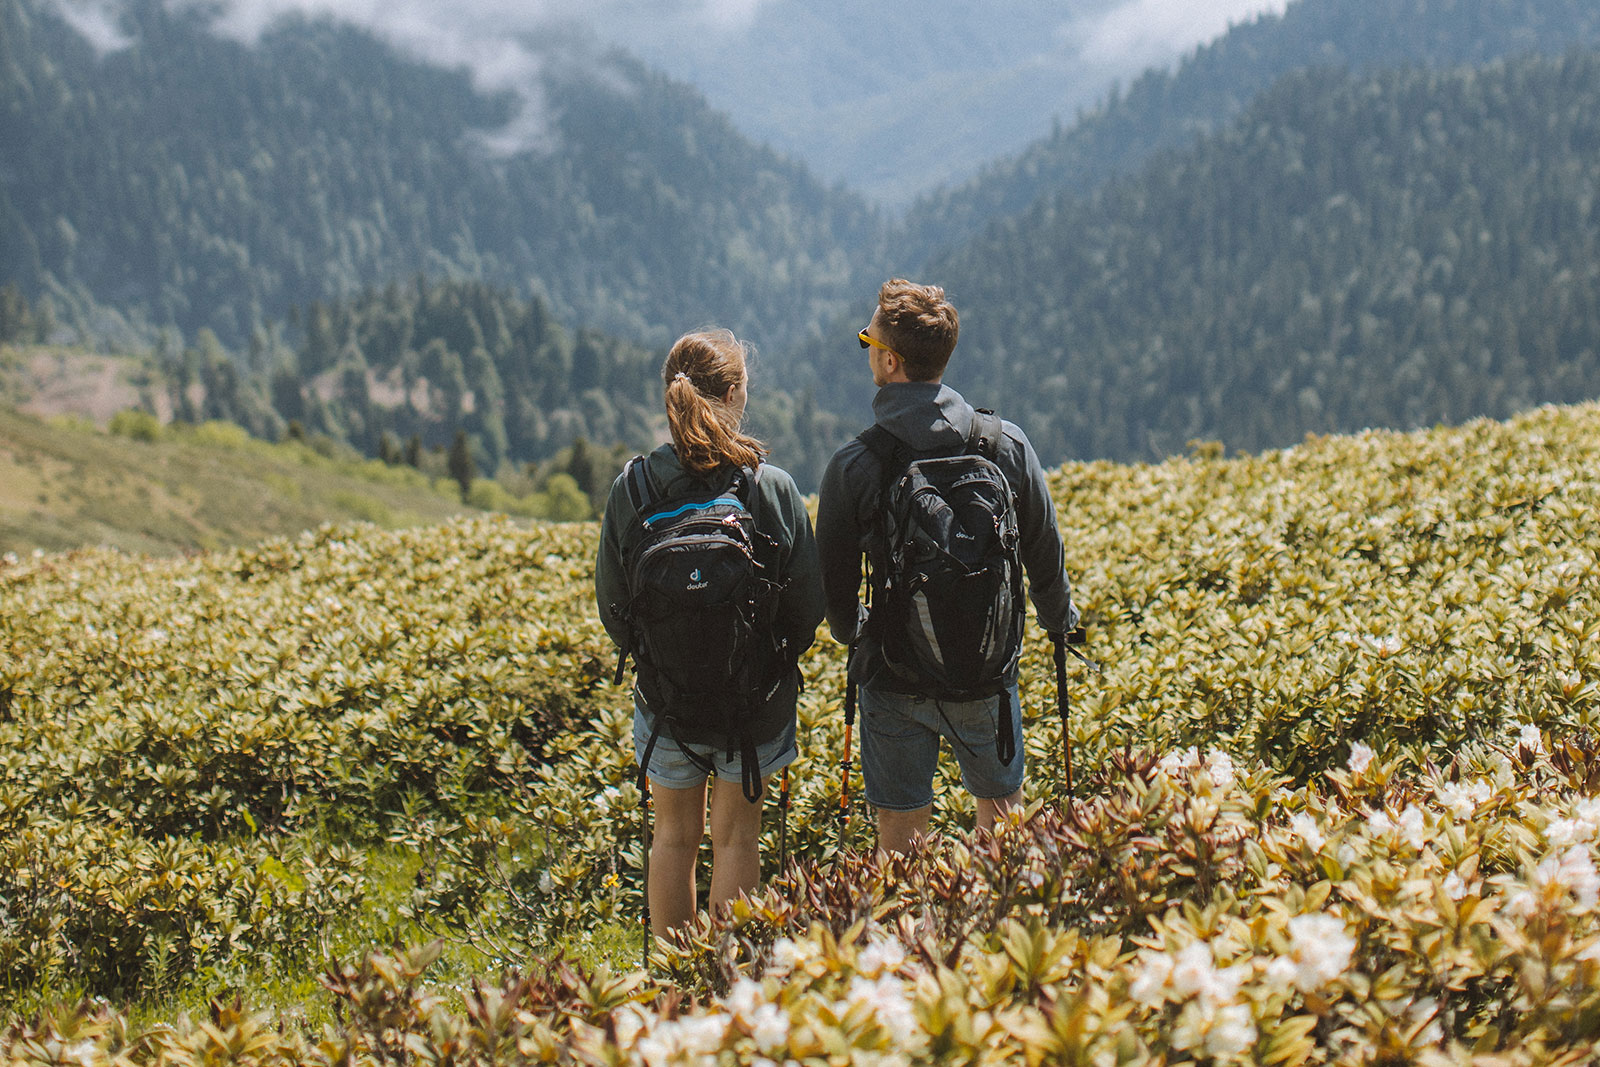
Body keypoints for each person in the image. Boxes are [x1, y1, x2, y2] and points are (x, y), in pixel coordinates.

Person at [816, 279, 1079, 855]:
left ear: (889, 361)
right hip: (986, 671)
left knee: (901, 847)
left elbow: (831, 586)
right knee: (1004, 828)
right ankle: (992, 931)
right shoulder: (1004, 445)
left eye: (868, 343)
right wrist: (1059, 622)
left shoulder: (855, 465)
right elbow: (1043, 548)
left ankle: (912, 941)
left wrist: (853, 632)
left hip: (892, 676)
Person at [596, 328, 824, 934]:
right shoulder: (768, 487)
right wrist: (766, 659)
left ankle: (676, 987)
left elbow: (612, 607)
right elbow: (808, 605)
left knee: (671, 840)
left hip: (668, 701)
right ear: (738, 396)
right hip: (754, 705)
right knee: (737, 839)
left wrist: (664, 658)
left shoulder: (634, 487)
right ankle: (726, 986)